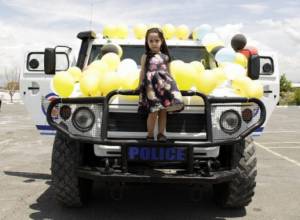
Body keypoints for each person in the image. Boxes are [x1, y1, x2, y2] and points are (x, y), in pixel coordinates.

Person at [137, 28, 184, 142]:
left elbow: (169, 73)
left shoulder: (166, 57)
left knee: (163, 112)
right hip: (151, 88)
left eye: (156, 40)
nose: (154, 43)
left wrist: (174, 89)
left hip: (164, 87)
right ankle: (150, 135)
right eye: (151, 41)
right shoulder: (145, 56)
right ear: (147, 42)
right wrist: (139, 86)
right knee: (153, 112)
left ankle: (161, 134)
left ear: (161, 41)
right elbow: (142, 71)